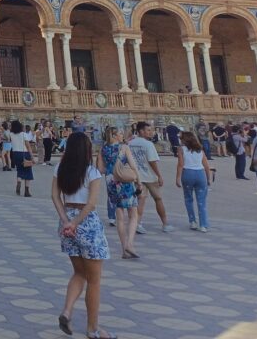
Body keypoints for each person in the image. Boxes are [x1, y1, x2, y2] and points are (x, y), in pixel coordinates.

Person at [51, 132, 113, 339]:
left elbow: (55, 196)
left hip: (66, 221)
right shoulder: (92, 172)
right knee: (94, 280)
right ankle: (93, 328)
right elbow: (92, 203)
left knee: (79, 272)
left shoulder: (60, 168)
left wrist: (66, 220)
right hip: (86, 224)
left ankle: (67, 311)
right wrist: (76, 222)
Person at [97, 125, 138, 259]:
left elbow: (100, 169)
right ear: (114, 135)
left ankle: (124, 249)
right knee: (133, 214)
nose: (122, 135)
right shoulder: (124, 147)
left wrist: (111, 168)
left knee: (119, 217)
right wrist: (139, 180)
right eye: (120, 133)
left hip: (111, 182)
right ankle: (130, 244)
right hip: (125, 181)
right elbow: (133, 165)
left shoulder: (103, 149)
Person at [128, 121, 173, 233]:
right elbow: (152, 161)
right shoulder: (148, 144)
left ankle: (137, 224)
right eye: (148, 130)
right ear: (141, 131)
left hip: (137, 175)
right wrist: (159, 175)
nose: (150, 132)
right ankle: (165, 223)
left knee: (140, 200)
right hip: (149, 175)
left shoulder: (130, 143)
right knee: (158, 198)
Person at [175, 131, 211, 232]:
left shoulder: (181, 149)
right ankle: (203, 224)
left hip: (187, 174)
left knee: (188, 199)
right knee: (201, 201)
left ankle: (193, 221)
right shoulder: (200, 150)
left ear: (184, 139)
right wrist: (208, 178)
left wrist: (178, 178)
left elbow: (180, 165)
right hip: (200, 174)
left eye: (181, 138)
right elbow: (206, 165)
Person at [9, 120, 34, 197]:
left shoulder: (11, 134)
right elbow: (28, 146)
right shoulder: (24, 134)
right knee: (28, 171)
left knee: (19, 169)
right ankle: (26, 191)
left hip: (15, 154)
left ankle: (19, 182)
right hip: (24, 153)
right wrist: (32, 156)